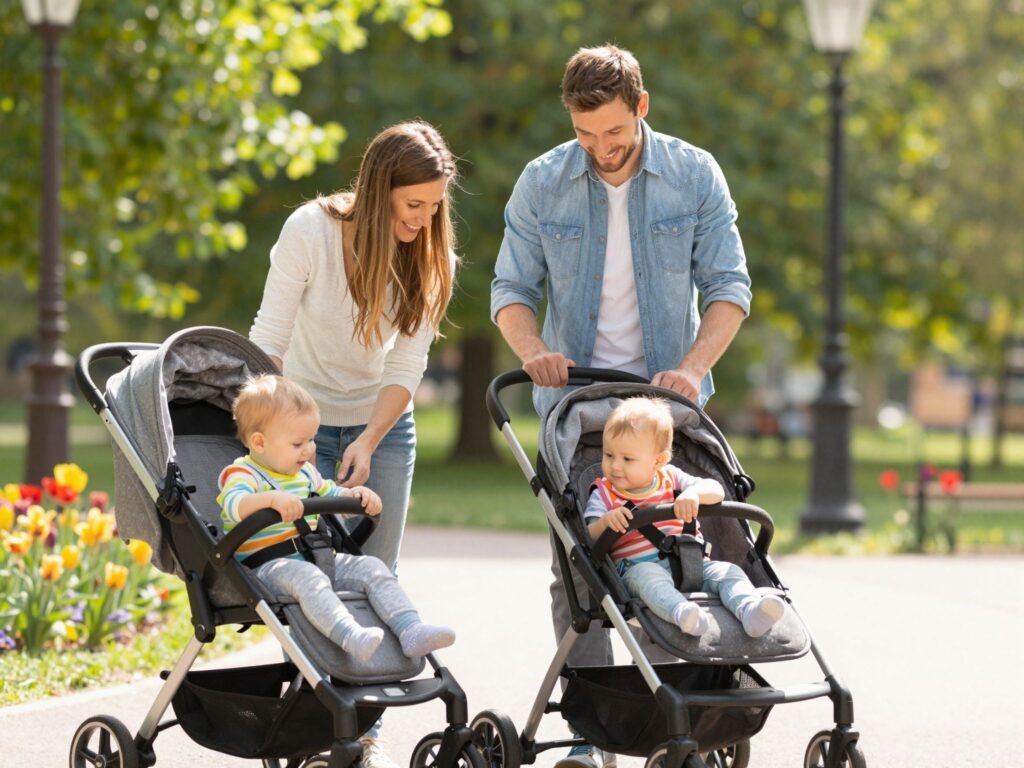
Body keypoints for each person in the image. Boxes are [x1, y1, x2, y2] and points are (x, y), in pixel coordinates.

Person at [489, 45, 752, 768]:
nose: (601, 150)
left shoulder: (693, 174)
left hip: (667, 407)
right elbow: (510, 289)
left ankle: (678, 713)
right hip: (575, 406)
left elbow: (731, 286)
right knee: (579, 567)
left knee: (681, 552)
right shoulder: (543, 182)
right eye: (584, 135)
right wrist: (531, 346)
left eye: (613, 133)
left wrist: (694, 367)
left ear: (641, 107)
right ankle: (591, 726)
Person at [249, 120, 458, 768]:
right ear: (377, 193)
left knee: (374, 575)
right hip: (297, 424)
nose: (424, 220)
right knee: (305, 573)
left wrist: (369, 437)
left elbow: (405, 369)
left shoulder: (432, 256)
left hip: (382, 426)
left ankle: (361, 730)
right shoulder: (309, 232)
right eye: (412, 204)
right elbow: (268, 338)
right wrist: (283, 432)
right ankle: (312, 714)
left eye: (434, 205)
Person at [217, 374, 456, 663]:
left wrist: (355, 494)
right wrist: (271, 500)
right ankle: (349, 635)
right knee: (308, 577)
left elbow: (331, 493)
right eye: (297, 444)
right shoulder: (243, 473)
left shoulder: (304, 473)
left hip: (316, 559)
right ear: (259, 442)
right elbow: (234, 505)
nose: (308, 450)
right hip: (267, 569)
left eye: (311, 440)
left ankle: (410, 630)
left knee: (371, 566)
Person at [585, 397, 784, 639]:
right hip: (637, 570)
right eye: (608, 455)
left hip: (692, 565)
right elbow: (589, 535)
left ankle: (750, 611)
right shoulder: (604, 493)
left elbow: (717, 489)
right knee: (649, 576)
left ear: (658, 461)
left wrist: (693, 493)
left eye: (627, 459)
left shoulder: (671, 476)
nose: (615, 466)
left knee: (728, 572)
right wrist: (605, 522)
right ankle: (682, 613)